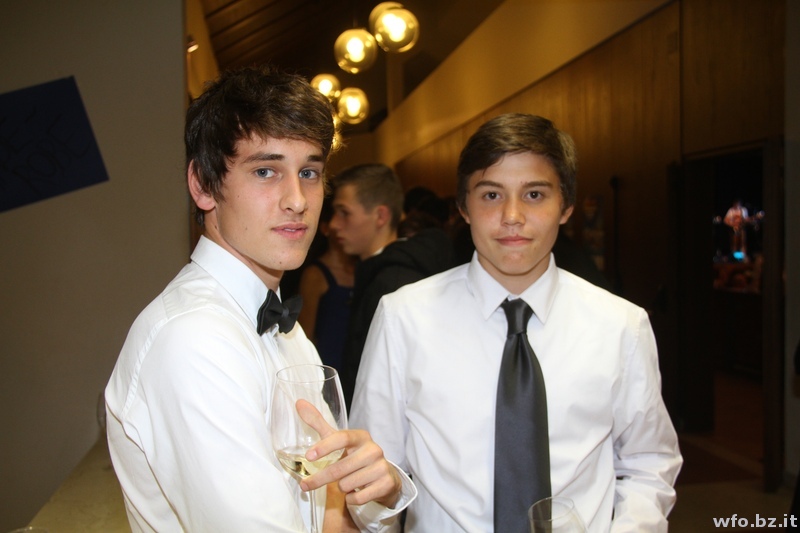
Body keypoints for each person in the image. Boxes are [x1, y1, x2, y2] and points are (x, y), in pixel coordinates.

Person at [105, 66, 415, 533]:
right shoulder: (192, 339)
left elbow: (328, 509)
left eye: (309, 172)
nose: (298, 200)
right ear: (203, 185)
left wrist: (378, 489)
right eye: (266, 171)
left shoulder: (281, 327)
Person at [350, 113, 682, 532]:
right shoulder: (404, 317)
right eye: (491, 195)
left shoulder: (621, 326)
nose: (512, 215)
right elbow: (372, 470)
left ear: (566, 206)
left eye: (534, 194)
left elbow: (648, 462)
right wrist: (379, 503)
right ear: (463, 207)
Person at [328, 163, 455, 407]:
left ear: (381, 216)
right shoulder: (378, 272)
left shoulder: (393, 284)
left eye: (344, 212)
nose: (334, 224)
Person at [296, 197, 356, 371]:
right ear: (325, 228)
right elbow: (305, 334)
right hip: (326, 366)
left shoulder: (361, 267)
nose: (342, 227)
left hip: (353, 365)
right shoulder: (315, 275)